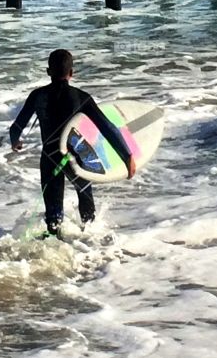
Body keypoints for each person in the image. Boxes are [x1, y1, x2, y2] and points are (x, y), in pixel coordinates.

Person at [9, 49, 135, 238]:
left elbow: (16, 127)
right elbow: (107, 128)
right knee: (87, 206)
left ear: (48, 71)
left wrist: (15, 141)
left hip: (50, 155)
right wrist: (127, 156)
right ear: (72, 73)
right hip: (76, 154)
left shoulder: (38, 96)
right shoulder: (81, 97)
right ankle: (88, 242)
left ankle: (54, 243)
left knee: (53, 216)